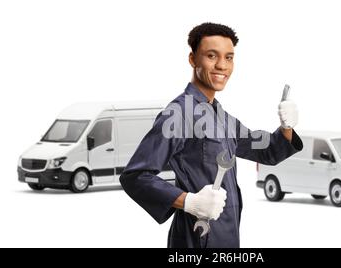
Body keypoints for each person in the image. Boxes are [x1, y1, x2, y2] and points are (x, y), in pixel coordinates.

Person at [119, 22, 303, 248]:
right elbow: (135, 176)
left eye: (229, 57)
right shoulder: (179, 113)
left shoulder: (221, 117)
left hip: (228, 237)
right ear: (192, 59)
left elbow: (267, 151)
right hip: (194, 240)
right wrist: (189, 201)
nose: (222, 66)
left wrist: (286, 126)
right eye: (211, 56)